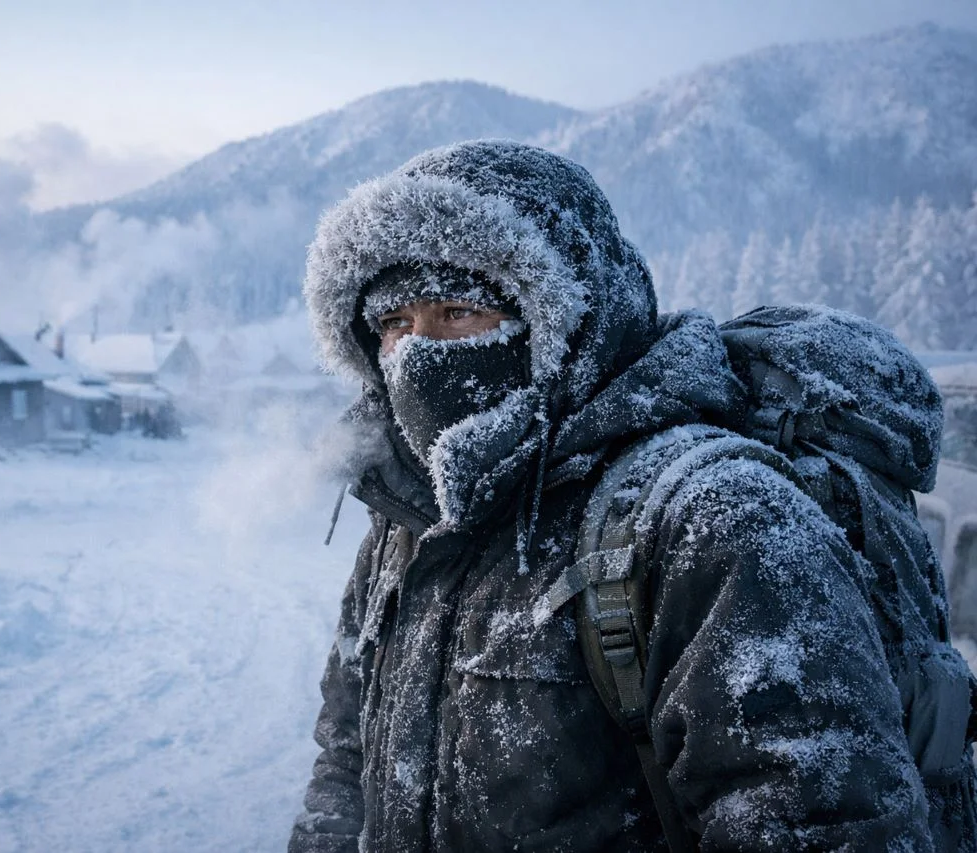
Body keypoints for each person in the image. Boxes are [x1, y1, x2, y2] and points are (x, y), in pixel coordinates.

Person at [289, 140, 959, 851]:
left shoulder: (710, 520)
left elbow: (825, 828)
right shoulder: (406, 525)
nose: (418, 353)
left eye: (458, 312)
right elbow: (344, 765)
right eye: (394, 324)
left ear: (564, 319)